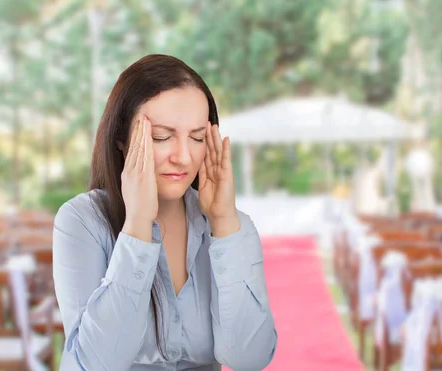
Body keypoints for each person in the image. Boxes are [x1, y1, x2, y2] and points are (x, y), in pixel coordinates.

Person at [52, 54, 278, 371]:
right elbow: (97, 364)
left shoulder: (236, 227)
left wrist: (224, 224)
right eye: (161, 137)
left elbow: (249, 358)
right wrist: (137, 225)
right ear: (121, 139)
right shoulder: (81, 221)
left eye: (198, 138)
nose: (183, 157)